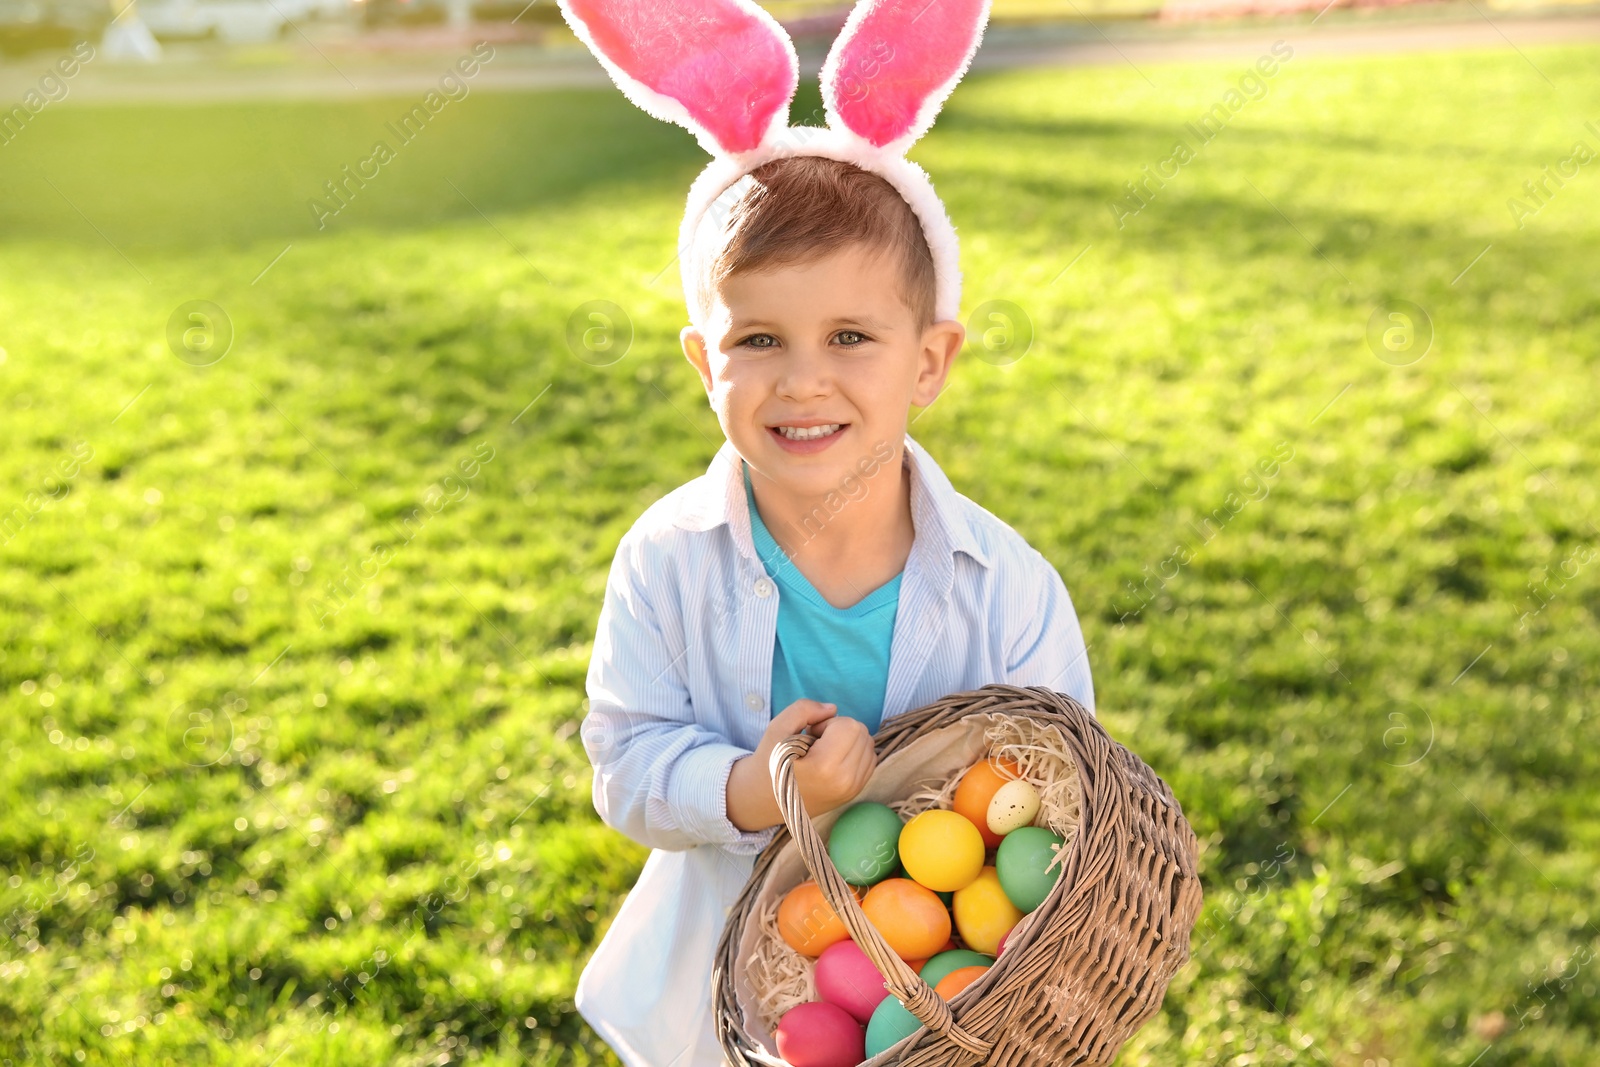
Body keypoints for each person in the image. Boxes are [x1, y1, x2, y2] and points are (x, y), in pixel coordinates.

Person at [559, 2, 1094, 1063]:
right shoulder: (667, 560)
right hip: (731, 998)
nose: (803, 378)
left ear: (929, 360)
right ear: (704, 365)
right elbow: (623, 759)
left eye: (851, 335)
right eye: (758, 338)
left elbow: (1063, 785)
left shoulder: (1004, 585)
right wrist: (763, 792)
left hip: (957, 1007)